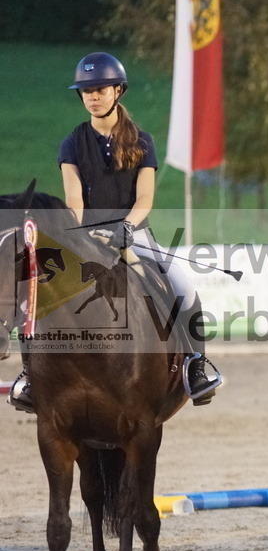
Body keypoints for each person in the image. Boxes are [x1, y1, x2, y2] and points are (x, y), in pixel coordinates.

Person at [8, 52, 221, 414]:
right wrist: (77, 234)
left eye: (100, 89)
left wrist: (125, 227)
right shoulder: (72, 144)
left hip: (133, 233)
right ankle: (30, 376)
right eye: (86, 91)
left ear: (118, 90)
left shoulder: (142, 141)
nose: (92, 96)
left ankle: (195, 367)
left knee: (183, 286)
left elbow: (145, 198)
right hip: (86, 235)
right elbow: (74, 198)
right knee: (42, 294)